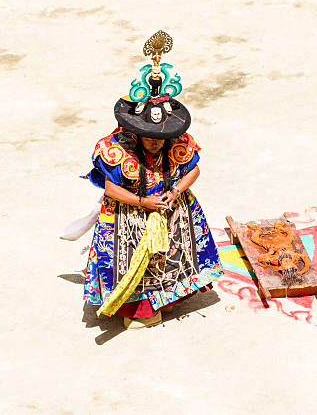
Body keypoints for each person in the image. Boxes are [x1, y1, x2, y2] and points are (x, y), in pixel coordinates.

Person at [82, 31, 224, 329]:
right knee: (132, 262)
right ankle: (136, 310)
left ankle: (164, 302)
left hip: (170, 207)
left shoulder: (178, 142)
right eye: (150, 137)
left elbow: (194, 170)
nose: (157, 143)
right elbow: (110, 187)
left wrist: (176, 192)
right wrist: (143, 202)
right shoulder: (116, 149)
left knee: (170, 258)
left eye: (162, 138)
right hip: (128, 213)